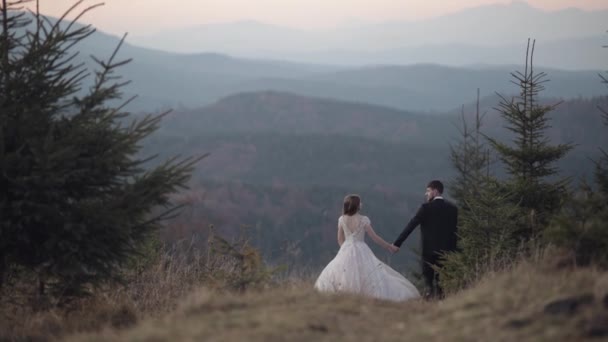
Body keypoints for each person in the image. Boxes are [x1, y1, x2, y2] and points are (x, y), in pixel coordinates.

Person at [314, 194, 420, 302]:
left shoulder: (342, 219)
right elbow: (375, 237)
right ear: (356, 205)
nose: (362, 204)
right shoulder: (363, 219)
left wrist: (345, 249)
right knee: (368, 273)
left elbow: (339, 238)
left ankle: (345, 295)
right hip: (361, 249)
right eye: (360, 202)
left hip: (346, 248)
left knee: (344, 274)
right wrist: (389, 246)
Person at [393, 180, 458, 299]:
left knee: (428, 283)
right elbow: (455, 233)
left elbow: (411, 226)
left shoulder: (425, 208)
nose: (426, 194)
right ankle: (441, 305)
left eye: (428, 191)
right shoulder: (453, 209)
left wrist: (397, 243)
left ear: (435, 191)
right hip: (446, 252)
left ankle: (428, 305)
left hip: (428, 252)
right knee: (441, 284)